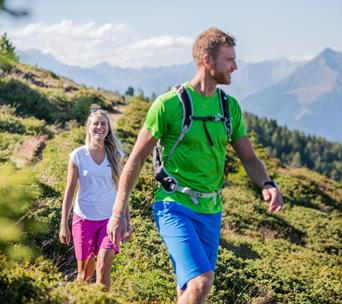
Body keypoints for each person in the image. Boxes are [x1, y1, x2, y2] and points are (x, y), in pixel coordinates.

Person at [107, 27, 283, 303]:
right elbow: (136, 159)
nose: (235, 67)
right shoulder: (168, 105)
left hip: (211, 211)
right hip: (173, 206)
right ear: (207, 60)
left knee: (188, 290)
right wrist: (119, 211)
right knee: (202, 283)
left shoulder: (229, 108)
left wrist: (267, 183)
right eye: (229, 61)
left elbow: (248, 157)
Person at [59, 109, 128, 291]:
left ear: (108, 129)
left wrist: (126, 219)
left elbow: (123, 190)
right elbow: (70, 190)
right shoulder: (77, 156)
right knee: (84, 275)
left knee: (103, 268)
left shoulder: (116, 155)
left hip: (109, 221)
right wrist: (63, 223)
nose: (100, 127)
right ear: (88, 127)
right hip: (83, 220)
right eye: (96, 123)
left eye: (103, 124)